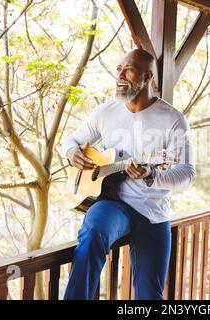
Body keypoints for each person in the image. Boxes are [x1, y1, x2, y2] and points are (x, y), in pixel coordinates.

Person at [61, 48, 196, 300]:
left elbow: (187, 173)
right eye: (119, 69)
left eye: (129, 70)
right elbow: (71, 140)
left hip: (152, 212)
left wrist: (150, 175)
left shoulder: (173, 120)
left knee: (149, 296)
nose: (120, 75)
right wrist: (71, 153)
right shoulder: (106, 112)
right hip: (114, 204)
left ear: (147, 78)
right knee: (92, 232)